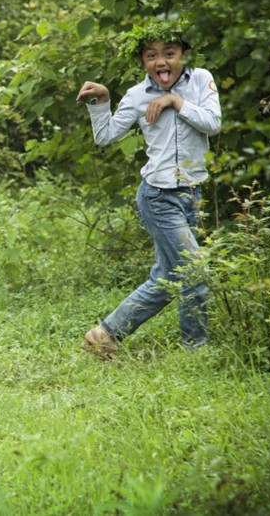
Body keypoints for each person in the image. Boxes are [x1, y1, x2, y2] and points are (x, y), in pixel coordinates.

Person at [76, 22, 221, 358]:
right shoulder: (137, 96)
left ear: (182, 55)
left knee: (170, 277)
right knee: (194, 271)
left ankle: (104, 335)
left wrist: (174, 100)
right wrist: (102, 102)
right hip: (158, 197)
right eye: (151, 55)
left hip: (192, 195)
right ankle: (195, 351)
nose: (161, 62)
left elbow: (213, 123)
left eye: (169, 54)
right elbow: (105, 135)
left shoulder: (201, 80)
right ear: (142, 61)